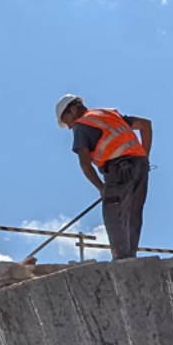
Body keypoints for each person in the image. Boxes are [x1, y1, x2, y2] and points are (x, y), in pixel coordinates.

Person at [56, 94, 152, 260]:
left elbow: (85, 164)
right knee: (132, 214)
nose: (71, 127)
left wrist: (101, 188)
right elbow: (146, 125)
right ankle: (131, 256)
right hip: (140, 167)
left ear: (73, 109)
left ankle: (122, 259)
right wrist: (144, 158)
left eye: (68, 121)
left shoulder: (81, 125)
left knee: (114, 213)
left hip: (118, 169)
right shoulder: (109, 115)